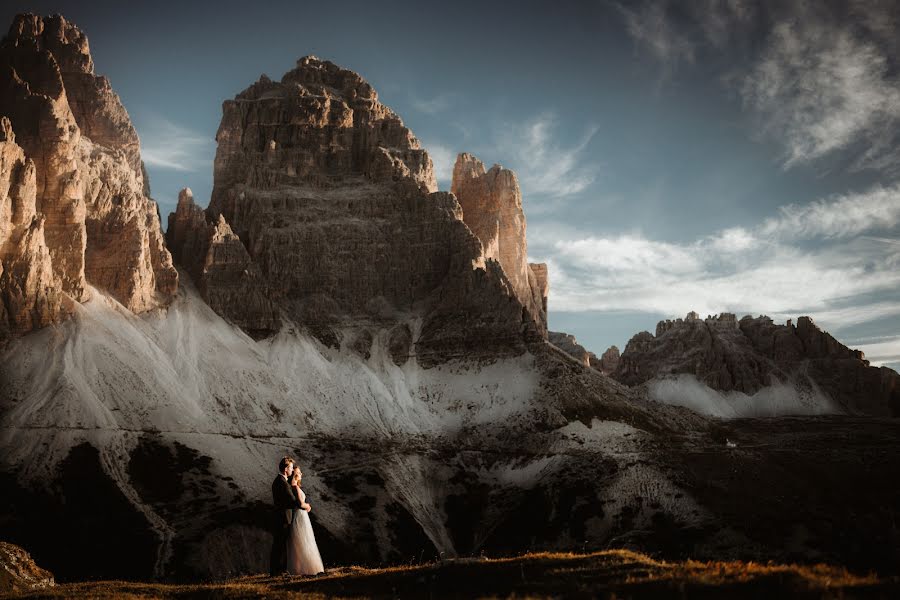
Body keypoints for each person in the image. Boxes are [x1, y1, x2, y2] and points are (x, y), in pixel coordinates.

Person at [286, 466, 325, 575]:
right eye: (299, 472)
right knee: (304, 540)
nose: (301, 474)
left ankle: (299, 569)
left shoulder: (292, 487)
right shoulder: (294, 487)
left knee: (300, 541)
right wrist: (307, 506)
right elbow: (300, 503)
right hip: (300, 516)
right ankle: (306, 568)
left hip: (300, 516)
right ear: (296, 475)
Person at [269, 456, 302, 575]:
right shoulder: (281, 482)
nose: (292, 470)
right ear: (286, 468)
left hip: (282, 517)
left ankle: (278, 570)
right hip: (282, 518)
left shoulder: (280, 481)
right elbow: (291, 500)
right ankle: (278, 571)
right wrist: (302, 505)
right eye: (291, 468)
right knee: (280, 544)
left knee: (280, 544)